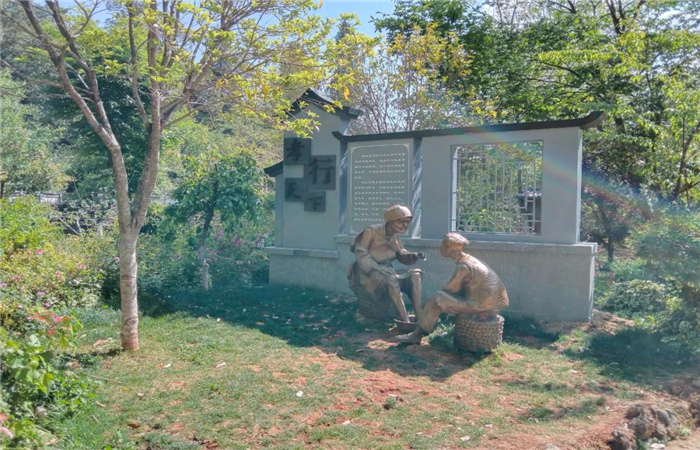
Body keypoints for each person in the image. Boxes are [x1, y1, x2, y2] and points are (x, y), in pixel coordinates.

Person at [397, 232, 509, 344]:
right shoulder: (470, 260)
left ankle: (416, 335)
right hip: (493, 303)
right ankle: (435, 328)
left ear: (447, 248)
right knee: (447, 298)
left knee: (437, 299)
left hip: (481, 305)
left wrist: (428, 305)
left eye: (443, 244)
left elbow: (451, 289)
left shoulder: (463, 266)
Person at [348, 205, 425, 321]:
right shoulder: (372, 231)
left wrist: (412, 255)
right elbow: (361, 253)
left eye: (407, 222)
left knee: (415, 275)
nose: (405, 225)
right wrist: (378, 268)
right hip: (369, 273)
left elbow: (400, 252)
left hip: (387, 270)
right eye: (401, 222)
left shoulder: (395, 235)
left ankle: (420, 317)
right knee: (391, 279)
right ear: (390, 221)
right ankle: (405, 321)